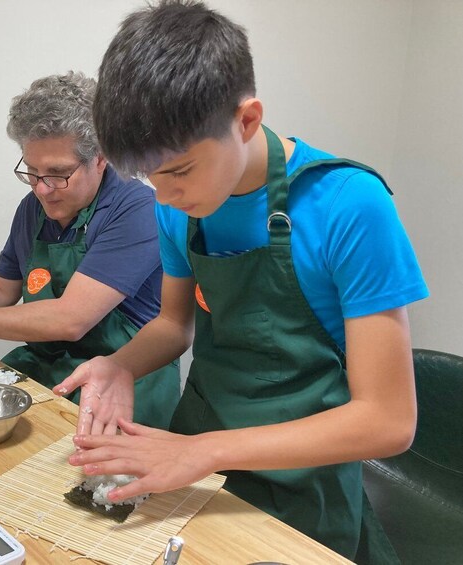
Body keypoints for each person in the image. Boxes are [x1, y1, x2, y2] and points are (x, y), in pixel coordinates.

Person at [53, 2, 428, 563]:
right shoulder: (177, 204)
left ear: (247, 120)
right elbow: (174, 325)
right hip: (198, 448)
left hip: (302, 474)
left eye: (178, 172)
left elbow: (389, 420)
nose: (165, 196)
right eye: (149, 178)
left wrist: (205, 452)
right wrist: (120, 364)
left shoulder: (349, 205)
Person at [0, 72, 180, 430]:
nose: (43, 189)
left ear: (101, 158)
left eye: (58, 174)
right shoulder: (35, 207)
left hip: (121, 379)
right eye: (32, 171)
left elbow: (70, 319)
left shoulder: (136, 210)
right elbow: (3, 288)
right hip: (47, 367)